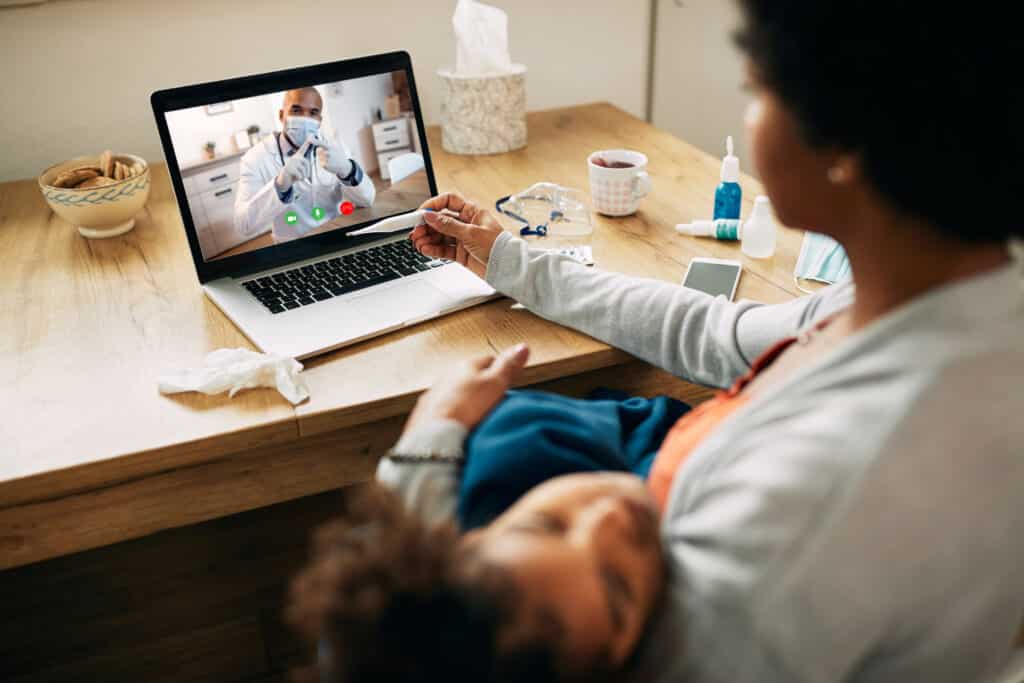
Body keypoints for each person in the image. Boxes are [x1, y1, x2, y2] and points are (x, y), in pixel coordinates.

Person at [286, 1, 1024, 681]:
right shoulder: (922, 297)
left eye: (759, 90)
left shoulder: (794, 526)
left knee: (506, 444)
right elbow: (707, 328)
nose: (604, 520)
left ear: (844, 144)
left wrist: (422, 455)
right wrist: (506, 259)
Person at [234, 87, 376, 244]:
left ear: (320, 121)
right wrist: (280, 186)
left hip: (336, 236)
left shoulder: (334, 146)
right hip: (293, 247)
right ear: (282, 116)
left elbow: (367, 200)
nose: (305, 118)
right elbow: (243, 225)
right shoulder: (255, 158)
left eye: (313, 113)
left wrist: (347, 169)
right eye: (296, 110)